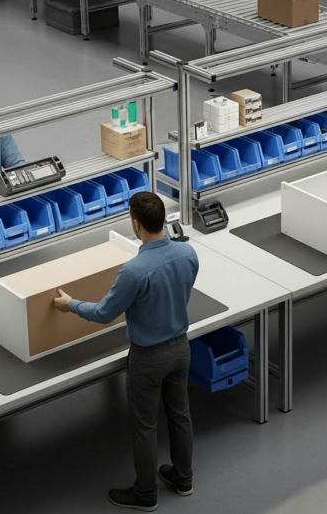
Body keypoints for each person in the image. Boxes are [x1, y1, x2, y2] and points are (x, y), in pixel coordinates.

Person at [53, 192, 199, 512]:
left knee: (145, 427)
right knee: (180, 414)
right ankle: (183, 478)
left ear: (135, 224)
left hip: (148, 358)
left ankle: (145, 494)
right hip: (181, 348)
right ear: (162, 219)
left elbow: (104, 313)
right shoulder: (188, 253)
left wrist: (70, 305)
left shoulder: (133, 271)